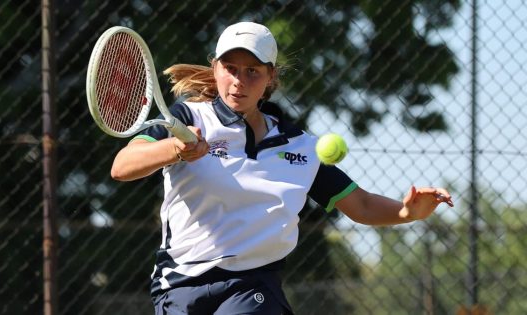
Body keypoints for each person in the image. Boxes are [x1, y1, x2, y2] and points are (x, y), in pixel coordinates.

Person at [110, 21, 454, 315]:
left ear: (270, 77)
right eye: (230, 68)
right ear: (215, 69)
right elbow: (123, 166)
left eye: (252, 71)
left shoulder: (301, 148)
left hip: (252, 285)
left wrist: (408, 211)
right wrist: (175, 149)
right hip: (179, 285)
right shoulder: (187, 118)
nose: (239, 81)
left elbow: (360, 205)